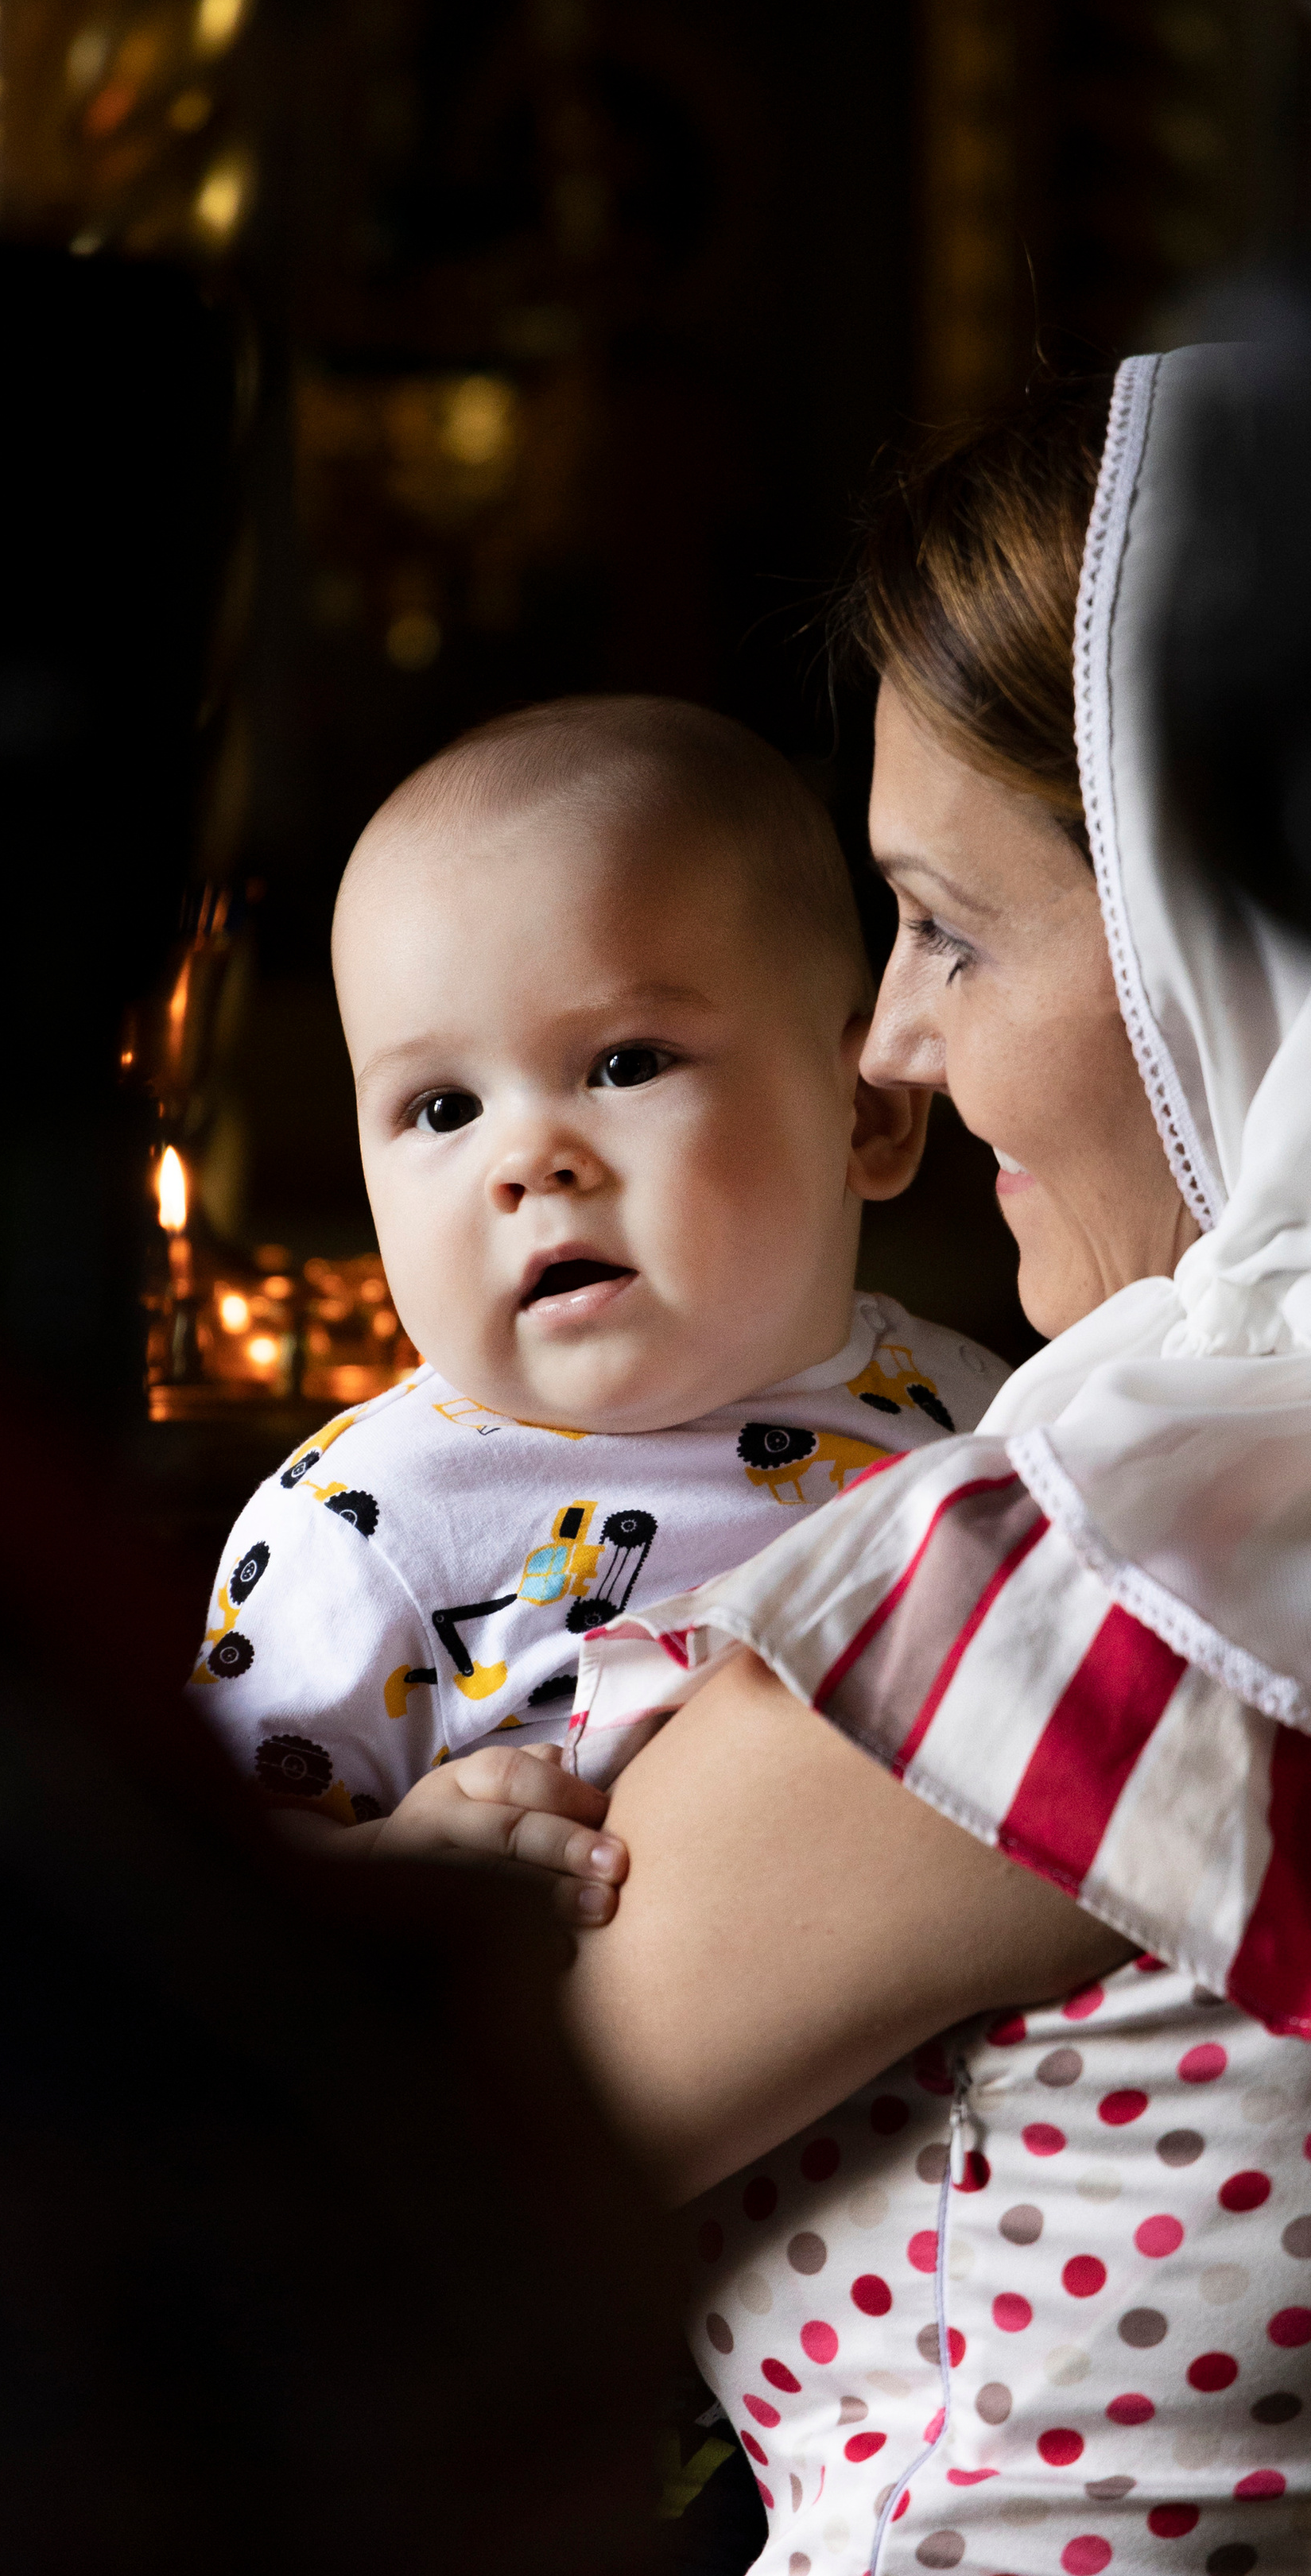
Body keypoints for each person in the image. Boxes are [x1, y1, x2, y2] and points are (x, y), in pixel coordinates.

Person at [486, 355, 1311, 2576]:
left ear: (1261, 942)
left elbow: (319, 2265)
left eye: (950, 925)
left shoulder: (1109, 1604)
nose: (887, 1044)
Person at [190, 695, 999, 1914]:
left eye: (624, 1065)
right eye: (442, 1108)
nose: (527, 1160)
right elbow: (205, 1898)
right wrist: (390, 1867)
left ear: (870, 1115)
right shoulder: (364, 1528)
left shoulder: (988, 1417)